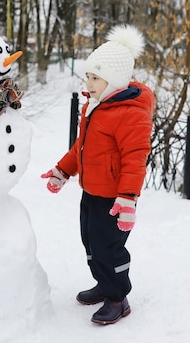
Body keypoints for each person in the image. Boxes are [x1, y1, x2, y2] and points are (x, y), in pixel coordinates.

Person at [41, 25, 155, 325]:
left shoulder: (131, 113)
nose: (88, 83)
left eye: (95, 78)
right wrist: (63, 170)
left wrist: (128, 198)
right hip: (91, 191)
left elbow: (135, 159)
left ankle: (118, 297)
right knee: (90, 243)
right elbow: (83, 147)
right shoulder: (95, 108)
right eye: (88, 77)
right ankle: (104, 284)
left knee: (109, 247)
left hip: (115, 199)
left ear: (114, 80)